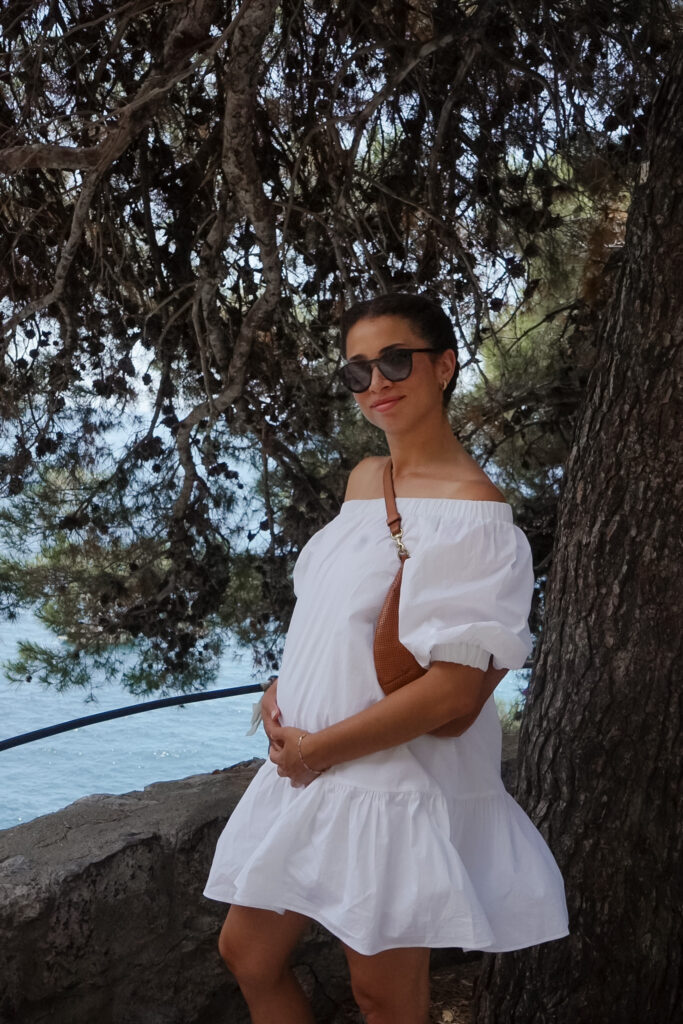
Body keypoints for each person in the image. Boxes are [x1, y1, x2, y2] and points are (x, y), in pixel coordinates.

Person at [203, 293, 569, 1024]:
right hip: (313, 770)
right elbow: (339, 613)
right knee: (247, 954)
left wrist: (316, 750)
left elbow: (453, 697)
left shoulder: (477, 516)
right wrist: (288, 683)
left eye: (396, 361)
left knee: (384, 999)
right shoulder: (367, 480)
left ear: (443, 366)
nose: (378, 383)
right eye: (357, 371)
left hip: (389, 781)